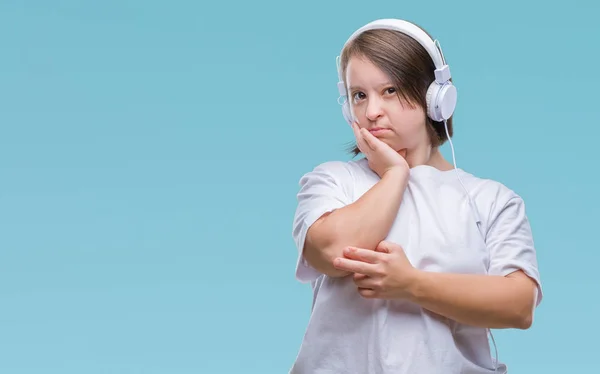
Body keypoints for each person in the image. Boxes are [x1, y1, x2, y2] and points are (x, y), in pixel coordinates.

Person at [290, 18, 543, 374]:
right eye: (359, 95)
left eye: (390, 90)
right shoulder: (334, 180)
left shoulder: (490, 199)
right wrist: (395, 174)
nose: (371, 111)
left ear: (435, 97)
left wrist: (411, 284)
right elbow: (329, 251)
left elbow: (519, 306)